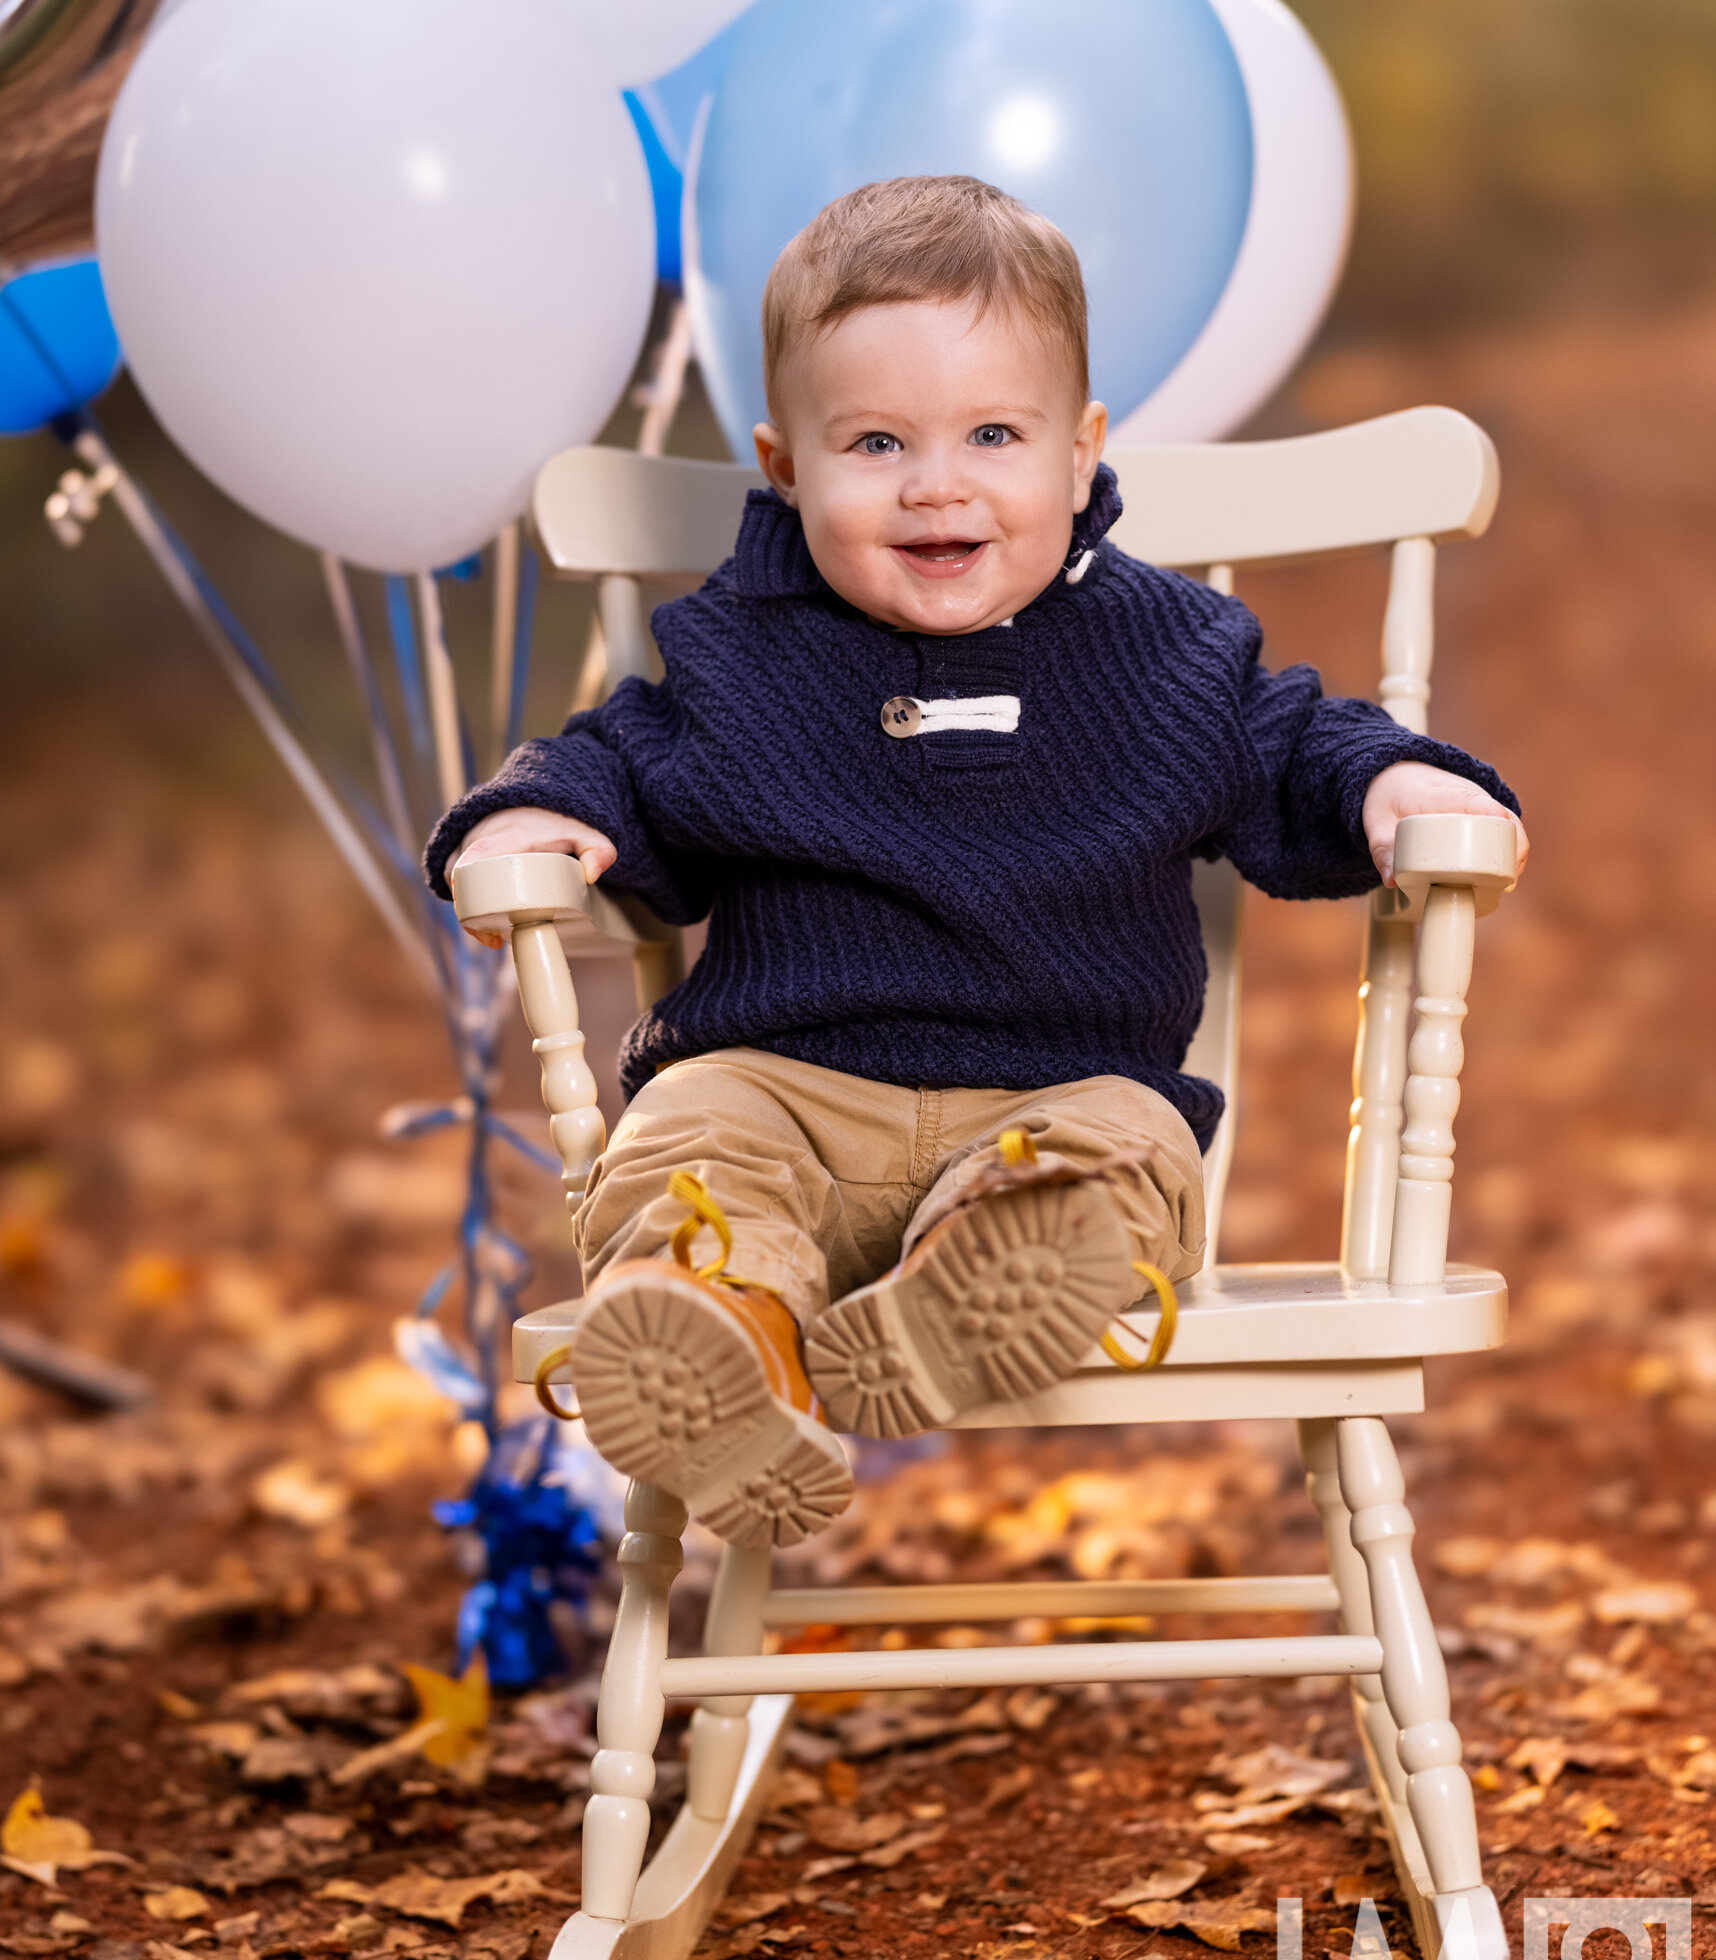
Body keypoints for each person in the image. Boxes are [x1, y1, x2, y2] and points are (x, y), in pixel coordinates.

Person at [426, 175, 1524, 1552]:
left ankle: (975, 1290)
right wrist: (529, 817)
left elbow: (1298, 741)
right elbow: (617, 759)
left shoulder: (1172, 654)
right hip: (790, 1095)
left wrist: (1394, 780)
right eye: (876, 442)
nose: (937, 483)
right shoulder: (742, 654)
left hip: (1067, 1097)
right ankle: (723, 1338)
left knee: (1125, 1157)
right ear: (785, 466)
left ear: (1080, 453)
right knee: (688, 1137)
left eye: (993, 433)